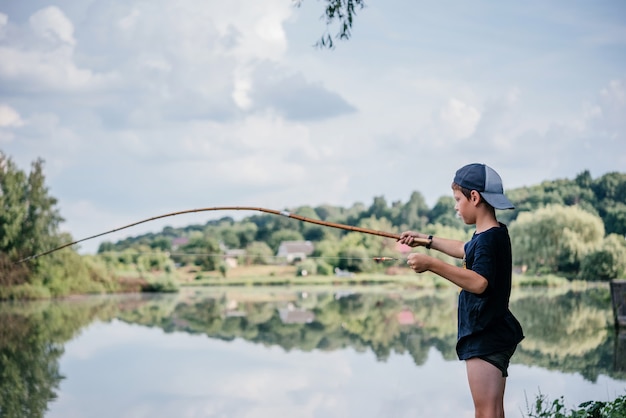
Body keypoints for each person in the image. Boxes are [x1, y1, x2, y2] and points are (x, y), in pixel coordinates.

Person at [398, 163, 524, 418]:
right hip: (494, 332)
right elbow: (464, 249)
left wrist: (431, 264)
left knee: (485, 412)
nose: (456, 206)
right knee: (493, 411)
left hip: (484, 336)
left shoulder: (487, 240)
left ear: (474, 197)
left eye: (458, 199)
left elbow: (479, 282)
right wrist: (426, 240)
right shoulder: (492, 234)